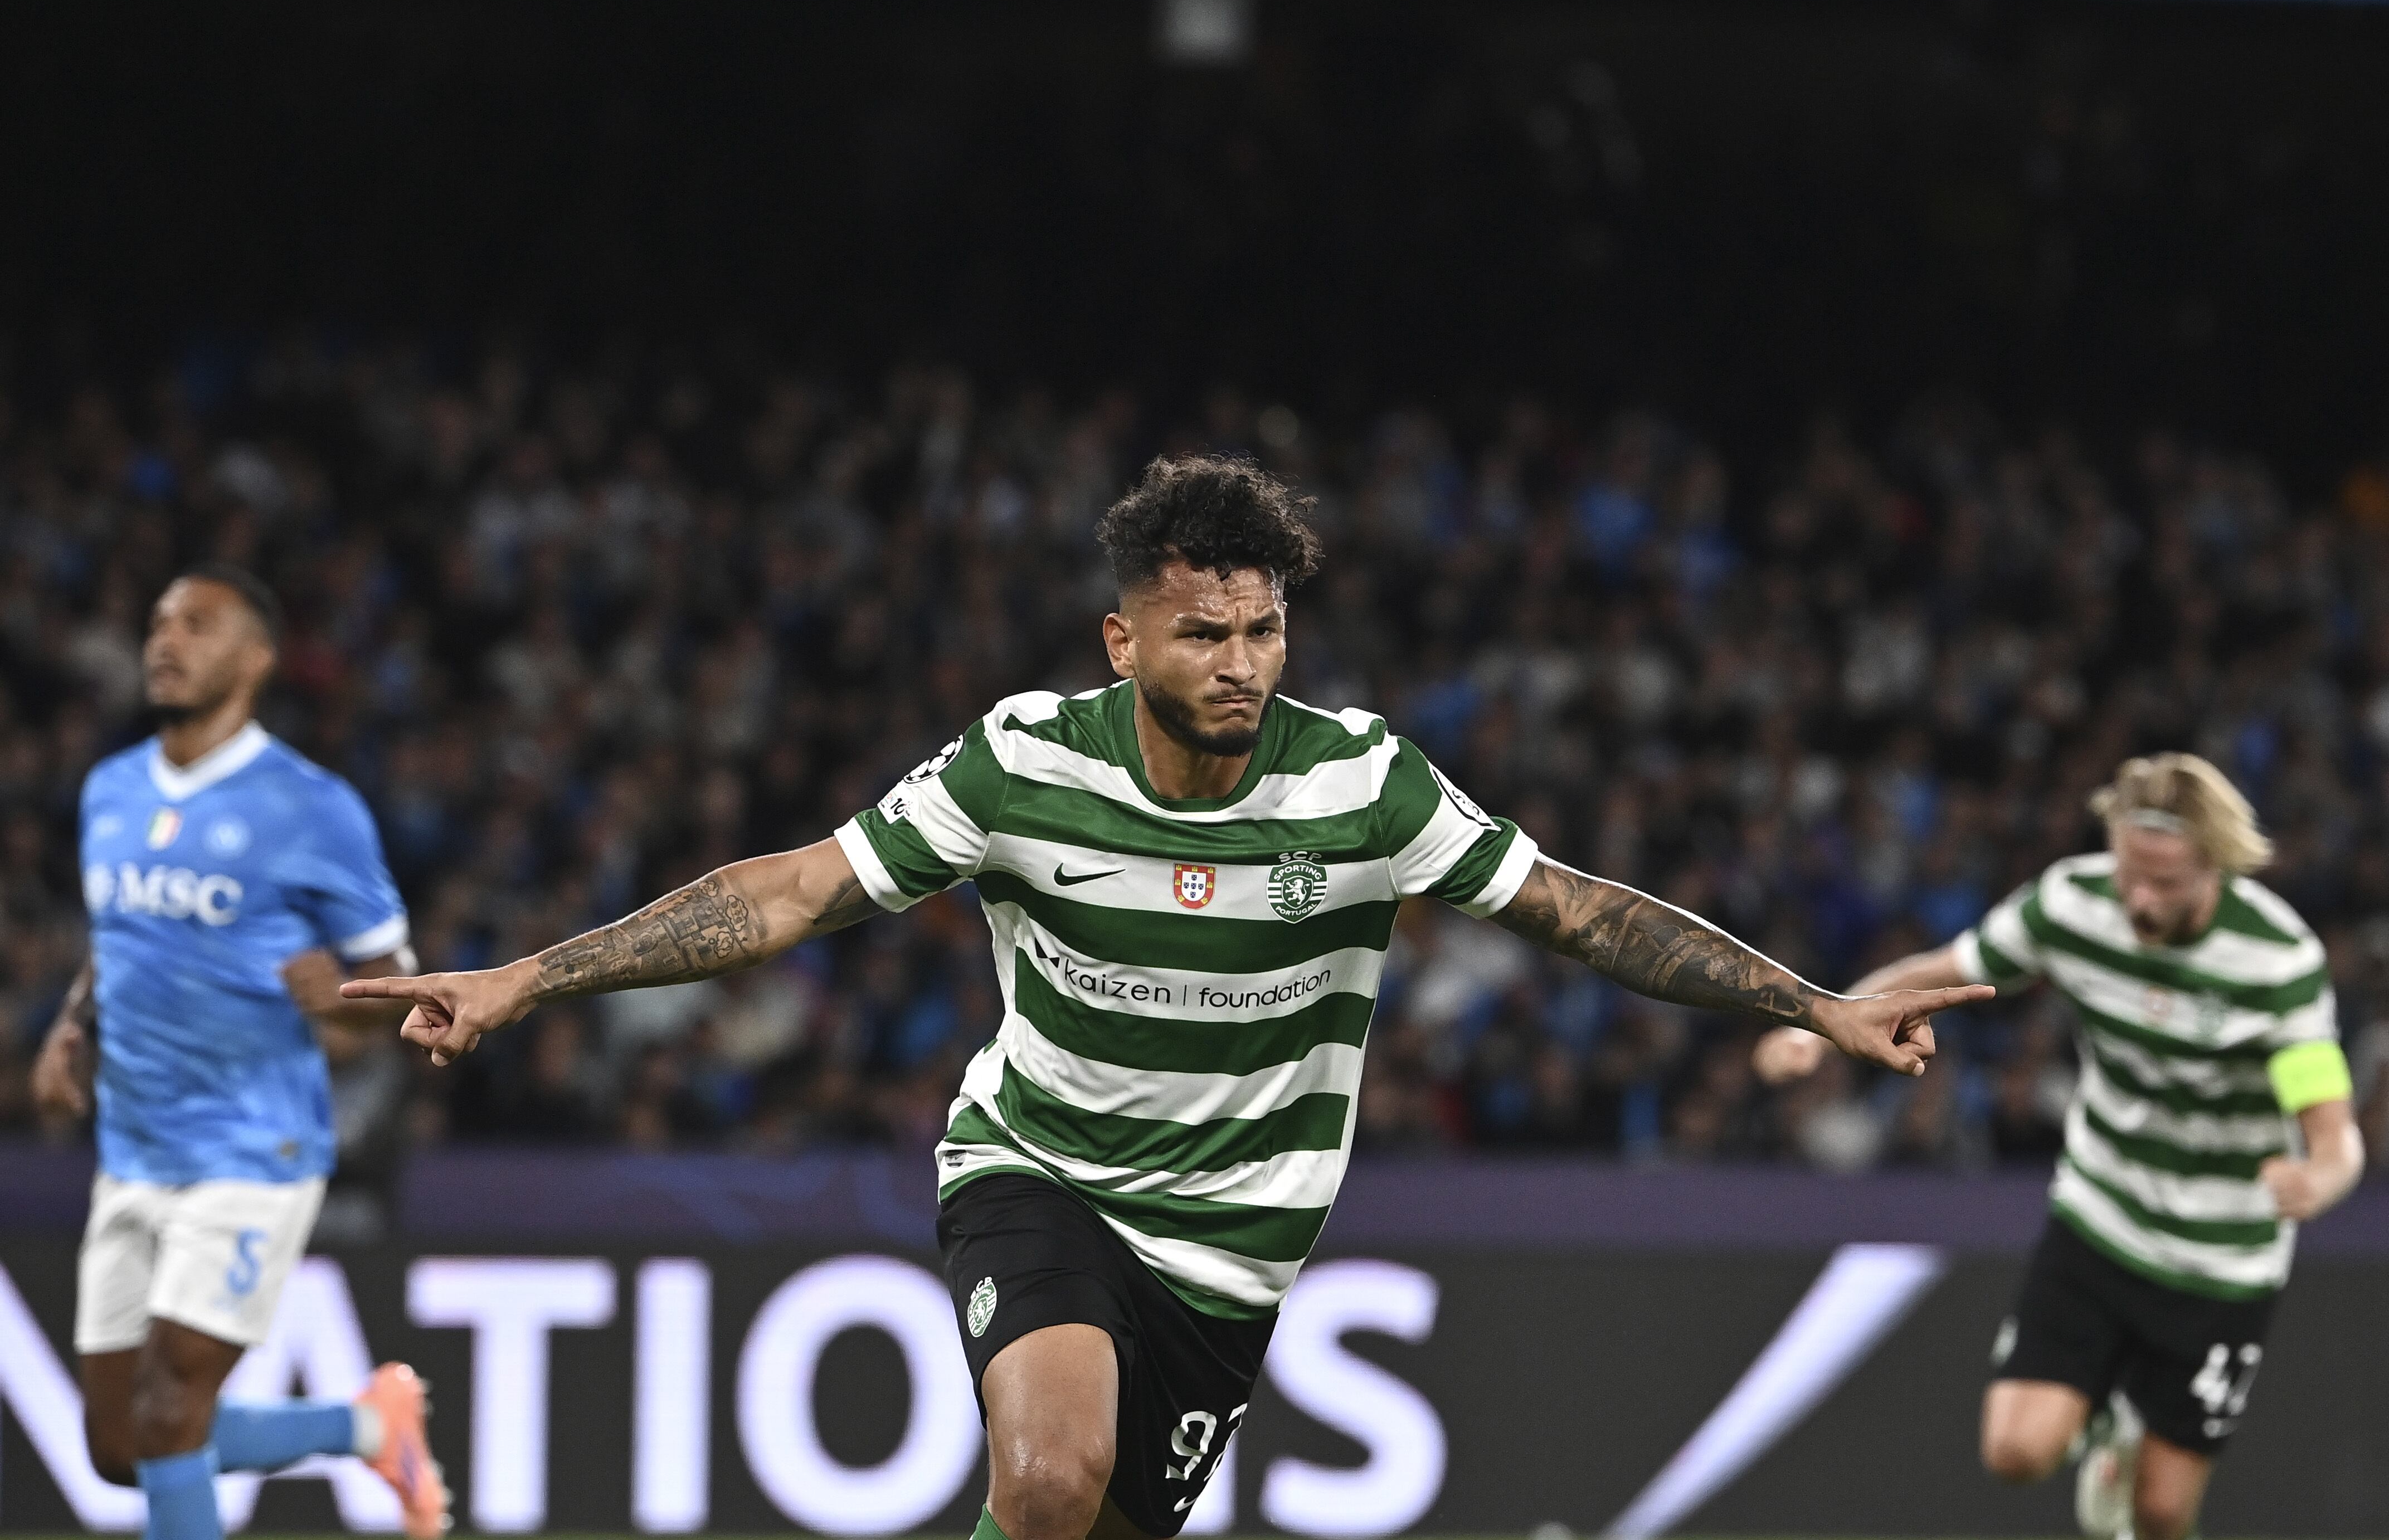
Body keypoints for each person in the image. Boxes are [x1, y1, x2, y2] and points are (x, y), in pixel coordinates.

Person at [346, 456, 1987, 1540]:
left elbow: (1574, 909)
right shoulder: (1020, 763)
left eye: (1266, 629)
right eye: (1205, 632)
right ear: (1121, 637)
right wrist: (525, 978)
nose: (1244, 663)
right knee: (1048, 1472)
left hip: (1236, 1240)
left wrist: (1817, 1000)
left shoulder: (1361, 787)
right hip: (1043, 1165)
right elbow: (787, 890)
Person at [1753, 752, 2363, 1540]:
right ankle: (2107, 1423)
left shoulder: (2277, 961)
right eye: (2129, 873)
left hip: (2224, 1258)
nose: (2140, 898)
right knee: (2017, 1450)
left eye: (2166, 884)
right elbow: (1941, 972)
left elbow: (2333, 1130)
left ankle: (2131, 1444)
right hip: (2100, 1218)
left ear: (2215, 865)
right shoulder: (2071, 904)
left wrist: (2319, 1180)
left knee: (2162, 1512)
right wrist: (1827, 1024)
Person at [31, 566, 450, 1540]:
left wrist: (336, 1006)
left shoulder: (313, 806)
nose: (166, 640)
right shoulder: (111, 787)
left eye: (198, 624)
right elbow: (118, 934)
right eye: (159, 620)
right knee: (119, 1446)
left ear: (256, 658)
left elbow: (399, 992)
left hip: (254, 1149)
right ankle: (364, 1426)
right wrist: (72, 1023)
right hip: (135, 1151)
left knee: (174, 1403)